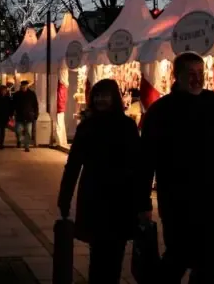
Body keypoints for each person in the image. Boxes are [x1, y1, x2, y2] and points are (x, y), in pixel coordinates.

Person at [139, 52, 214, 284]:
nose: (197, 79)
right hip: (177, 199)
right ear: (177, 76)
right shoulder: (161, 111)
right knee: (178, 256)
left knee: (207, 260)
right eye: (191, 74)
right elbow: (146, 159)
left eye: (200, 73)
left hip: (211, 198)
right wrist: (143, 201)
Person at [58, 79, 144, 283]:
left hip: (121, 197)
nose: (100, 100)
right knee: (97, 252)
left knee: (115, 251)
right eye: (97, 95)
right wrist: (65, 197)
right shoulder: (87, 126)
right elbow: (73, 164)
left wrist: (142, 201)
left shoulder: (126, 126)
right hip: (94, 194)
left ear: (114, 97)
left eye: (105, 95)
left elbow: (138, 165)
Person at [13, 80, 38, 152]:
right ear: (21, 86)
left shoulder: (32, 94)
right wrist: (12, 113)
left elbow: (35, 105)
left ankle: (26, 146)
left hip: (29, 116)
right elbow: (13, 104)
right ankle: (19, 140)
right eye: (23, 86)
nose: (24, 87)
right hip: (19, 116)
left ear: (27, 86)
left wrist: (35, 114)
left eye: (25, 86)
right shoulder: (17, 94)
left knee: (28, 132)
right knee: (18, 130)